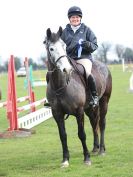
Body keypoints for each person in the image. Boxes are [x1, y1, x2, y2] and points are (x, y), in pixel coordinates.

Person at [61, 6, 99, 107]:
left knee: (87, 72)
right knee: (56, 72)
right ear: (69, 19)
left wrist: (86, 44)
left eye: (77, 17)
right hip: (69, 58)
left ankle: (94, 96)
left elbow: (95, 45)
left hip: (84, 58)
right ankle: (52, 98)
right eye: (73, 17)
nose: (75, 19)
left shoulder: (86, 30)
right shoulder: (64, 32)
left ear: (80, 18)